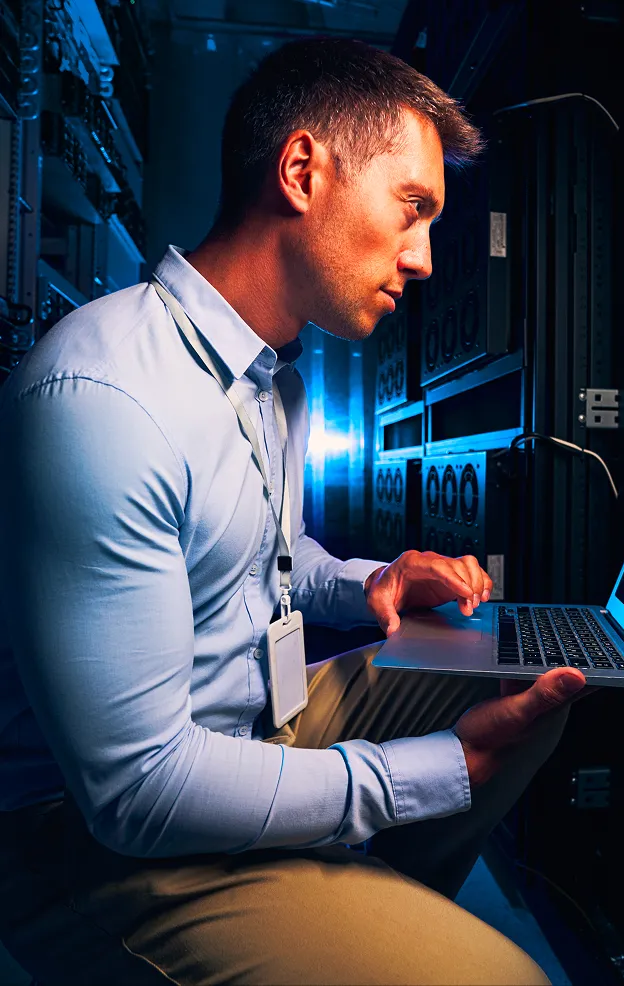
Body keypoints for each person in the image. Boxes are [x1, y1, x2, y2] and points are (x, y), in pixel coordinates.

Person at [0, 38, 589, 985]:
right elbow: (137, 792)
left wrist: (372, 582)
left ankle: (358, 913)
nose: (426, 258)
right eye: (413, 210)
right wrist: (427, 775)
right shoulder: (104, 396)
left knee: (514, 670)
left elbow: (266, 555)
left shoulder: (274, 380)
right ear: (304, 171)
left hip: (246, 732)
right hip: (96, 851)